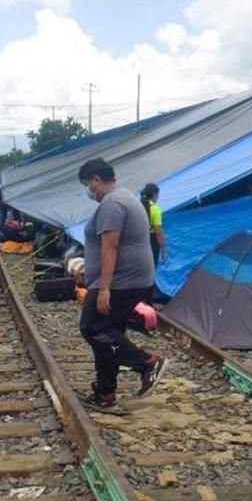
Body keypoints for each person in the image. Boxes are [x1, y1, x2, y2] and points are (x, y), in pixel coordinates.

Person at [78, 158, 167, 409]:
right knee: (108, 333)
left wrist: (104, 287)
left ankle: (146, 362)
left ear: (96, 179)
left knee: (92, 327)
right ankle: (105, 394)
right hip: (128, 279)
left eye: (88, 184)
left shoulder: (113, 202)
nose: (89, 190)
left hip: (120, 281)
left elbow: (111, 244)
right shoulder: (124, 198)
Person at [140, 183, 167, 267]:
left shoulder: (139, 205)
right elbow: (158, 233)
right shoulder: (155, 209)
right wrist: (163, 250)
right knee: (152, 266)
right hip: (152, 241)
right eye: (158, 194)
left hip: (140, 239)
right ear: (155, 194)